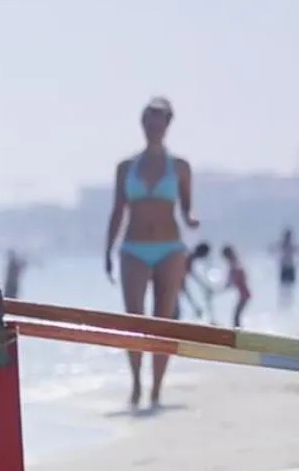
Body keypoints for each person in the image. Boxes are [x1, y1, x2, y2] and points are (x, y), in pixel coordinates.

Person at [103, 96, 198, 409]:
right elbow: (118, 210)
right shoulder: (126, 168)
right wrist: (107, 250)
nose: (154, 128)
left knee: (164, 321)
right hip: (133, 248)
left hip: (170, 249)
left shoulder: (180, 167)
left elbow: (186, 206)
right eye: (149, 122)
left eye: (160, 123)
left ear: (168, 126)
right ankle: (135, 383)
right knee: (133, 320)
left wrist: (192, 219)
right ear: (142, 125)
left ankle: (157, 388)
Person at [180, 241, 217, 323]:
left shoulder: (189, 258)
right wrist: (194, 305)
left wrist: (205, 286)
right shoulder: (187, 259)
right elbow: (182, 283)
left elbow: (192, 276)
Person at [220, 245, 251, 328]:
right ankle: (238, 331)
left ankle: (238, 332)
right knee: (236, 316)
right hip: (243, 294)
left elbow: (234, 279)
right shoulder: (235, 264)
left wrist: (223, 288)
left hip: (244, 295)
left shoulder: (234, 265)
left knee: (236, 316)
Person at [272, 227, 299, 308]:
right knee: (284, 286)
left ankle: (288, 302)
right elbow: (274, 249)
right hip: (285, 267)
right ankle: (283, 302)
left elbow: (298, 251)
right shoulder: (282, 244)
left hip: (290, 267)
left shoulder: (291, 245)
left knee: (289, 287)